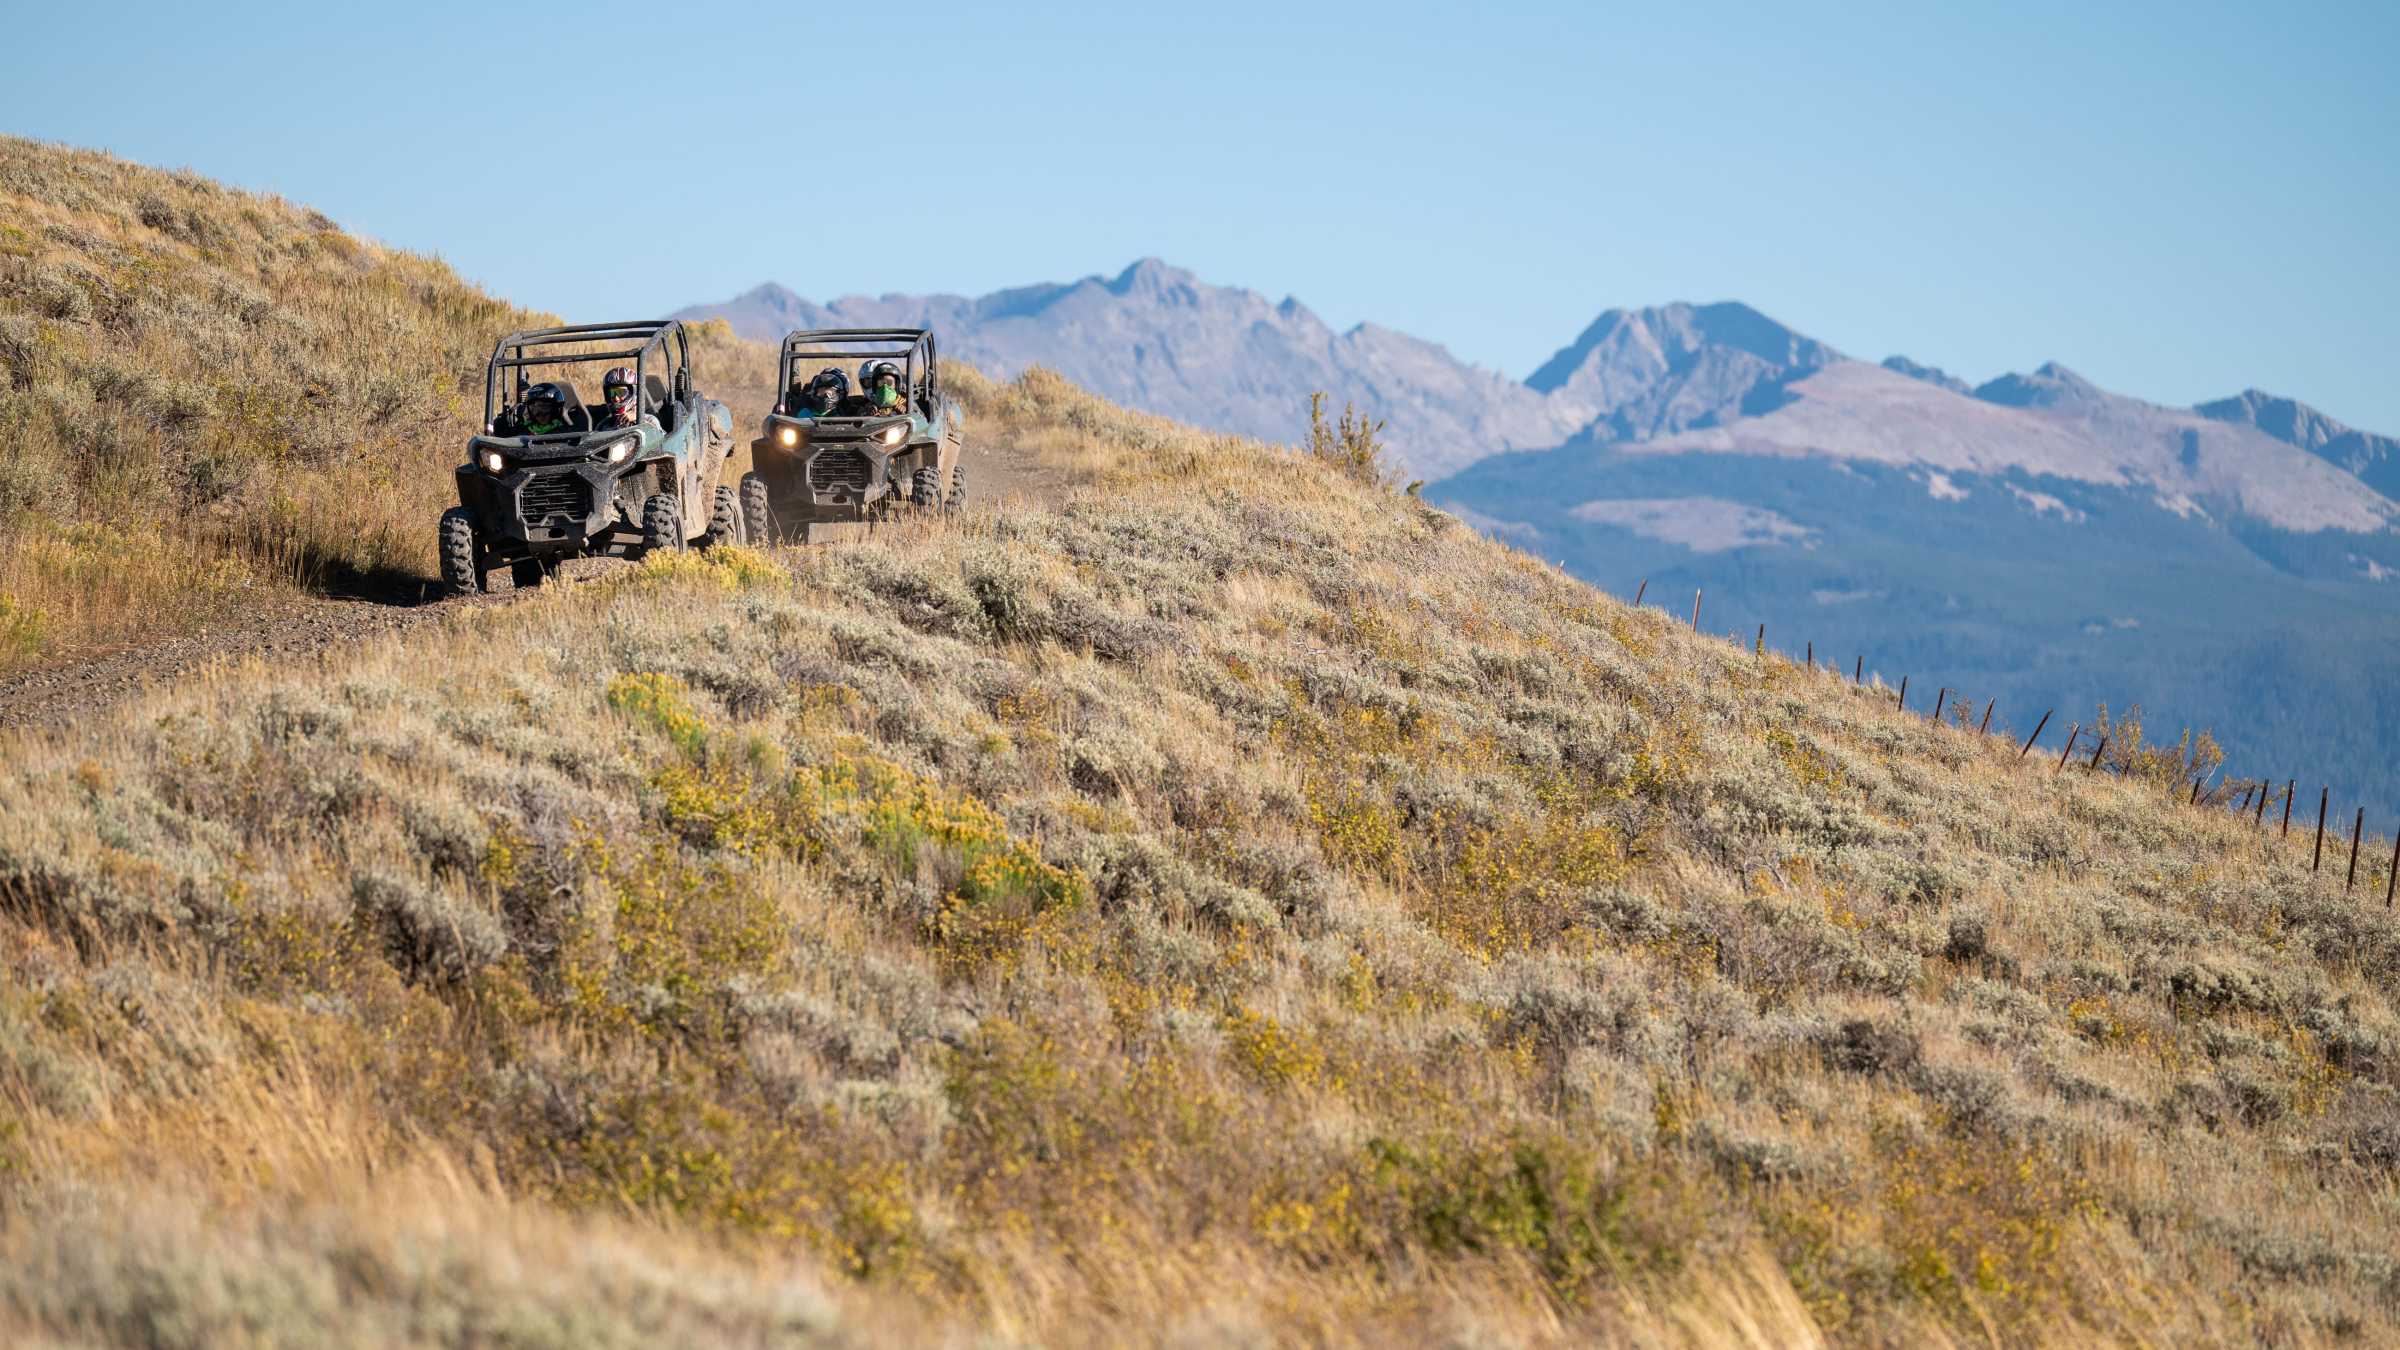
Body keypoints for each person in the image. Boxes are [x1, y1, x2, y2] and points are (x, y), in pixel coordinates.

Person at [497, 381, 575, 436]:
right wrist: (502, 420)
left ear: (555, 408)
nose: (538, 412)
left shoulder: (564, 429)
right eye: (533, 408)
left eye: (544, 407)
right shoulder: (525, 428)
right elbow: (502, 436)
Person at [834, 360, 906, 416]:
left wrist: (904, 413)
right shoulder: (863, 405)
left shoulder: (907, 402)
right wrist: (867, 414)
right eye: (868, 382)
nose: (884, 388)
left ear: (896, 385)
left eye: (888, 383)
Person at [785, 367, 849, 418]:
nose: (826, 395)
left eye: (831, 392)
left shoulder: (845, 411)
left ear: (841, 394)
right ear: (814, 391)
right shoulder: (803, 406)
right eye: (822, 390)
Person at [594, 366, 641, 430]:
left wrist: (637, 419)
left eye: (621, 393)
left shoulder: (649, 420)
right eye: (612, 393)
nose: (616, 398)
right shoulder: (603, 425)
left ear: (632, 393)